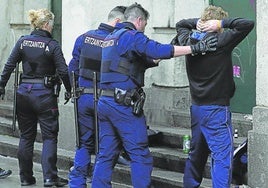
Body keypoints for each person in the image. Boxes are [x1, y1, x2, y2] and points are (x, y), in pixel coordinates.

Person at [91, 3, 218, 188]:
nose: (144, 29)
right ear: (139, 20)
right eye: (144, 25)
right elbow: (157, 50)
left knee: (106, 154)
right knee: (140, 154)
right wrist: (195, 48)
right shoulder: (133, 36)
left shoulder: (112, 38)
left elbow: (141, 60)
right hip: (123, 106)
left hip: (105, 102)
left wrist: (172, 47)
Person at [173, 5, 254, 188]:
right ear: (215, 24)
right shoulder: (221, 40)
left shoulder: (189, 41)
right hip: (216, 109)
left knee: (196, 154)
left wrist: (197, 23)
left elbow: (180, 24)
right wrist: (220, 23)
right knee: (222, 158)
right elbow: (247, 24)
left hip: (197, 108)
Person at [0, 8, 71, 187]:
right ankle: (50, 178)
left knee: (26, 136)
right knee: (49, 137)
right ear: (46, 25)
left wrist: (1, 85)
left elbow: (9, 66)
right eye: (52, 24)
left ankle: (25, 178)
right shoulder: (52, 45)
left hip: (24, 93)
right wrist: (70, 89)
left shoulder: (23, 42)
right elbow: (63, 70)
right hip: (45, 95)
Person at [68, 6, 127, 188]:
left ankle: (77, 183)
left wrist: (74, 90)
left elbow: (72, 67)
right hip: (107, 100)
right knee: (107, 145)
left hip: (84, 97)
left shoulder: (84, 37)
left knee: (84, 144)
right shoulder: (116, 41)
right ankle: (99, 183)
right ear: (117, 21)